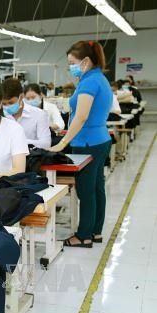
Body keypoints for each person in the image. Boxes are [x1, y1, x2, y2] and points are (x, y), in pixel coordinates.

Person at [49, 40, 113, 248]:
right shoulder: (99, 79)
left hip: (87, 142)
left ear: (85, 61)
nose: (70, 67)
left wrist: (64, 142)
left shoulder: (88, 82)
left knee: (86, 190)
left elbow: (82, 116)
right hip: (100, 139)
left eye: (72, 62)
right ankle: (95, 231)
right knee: (96, 188)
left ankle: (83, 235)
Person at [2, 78, 51, 149]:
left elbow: (46, 143)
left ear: (21, 97)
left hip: (30, 157)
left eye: (11, 103)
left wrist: (18, 141)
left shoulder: (39, 114)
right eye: (4, 104)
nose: (7, 106)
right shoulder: (0, 115)